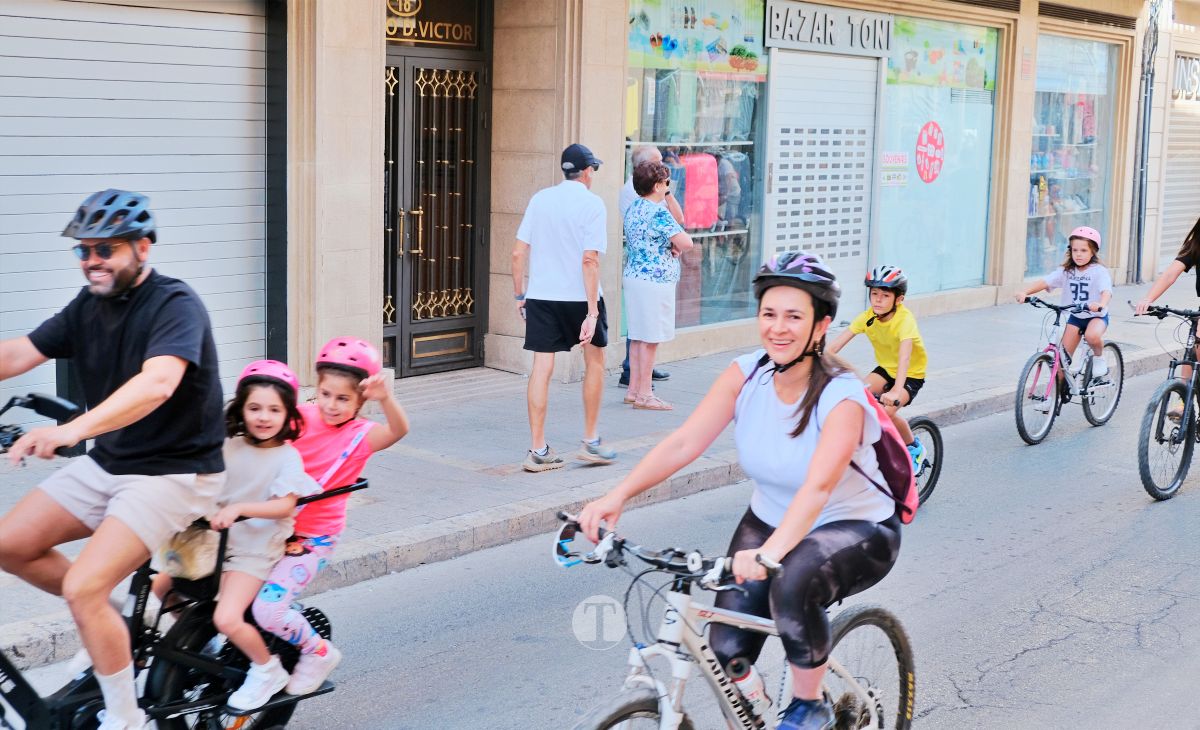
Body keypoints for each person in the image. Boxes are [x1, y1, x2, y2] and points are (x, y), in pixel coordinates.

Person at [579, 252, 902, 729]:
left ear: (821, 326)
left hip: (855, 526)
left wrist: (770, 555)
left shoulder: (842, 396)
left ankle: (809, 706)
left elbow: (818, 488)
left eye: (794, 316)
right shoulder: (746, 373)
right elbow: (686, 441)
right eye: (769, 314)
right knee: (725, 649)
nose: (778, 327)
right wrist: (616, 496)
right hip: (770, 517)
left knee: (793, 582)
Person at [0, 189, 226, 730]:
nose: (92, 261)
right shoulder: (88, 305)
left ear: (142, 248)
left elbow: (157, 384)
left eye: (106, 249)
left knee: (83, 588)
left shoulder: (175, 304)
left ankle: (125, 719)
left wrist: (71, 430)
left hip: (177, 472)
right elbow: (18, 353)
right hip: (113, 463)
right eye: (83, 251)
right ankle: (113, 619)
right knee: (10, 544)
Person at [151, 361, 322, 711]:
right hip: (212, 545)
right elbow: (202, 478)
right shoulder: (230, 445)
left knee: (226, 617)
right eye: (254, 408)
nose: (263, 417)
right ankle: (202, 644)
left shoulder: (287, 457)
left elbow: (285, 505)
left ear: (288, 414)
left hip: (253, 553)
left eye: (274, 409)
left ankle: (267, 669)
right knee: (159, 588)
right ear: (241, 410)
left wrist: (240, 508)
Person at [250, 337, 409, 696]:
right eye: (325, 394)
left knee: (268, 610)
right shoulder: (300, 416)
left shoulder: (361, 435)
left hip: (311, 540)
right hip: (269, 526)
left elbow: (399, 431)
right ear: (316, 389)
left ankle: (318, 652)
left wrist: (385, 397)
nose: (332, 406)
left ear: (360, 400)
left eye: (343, 399)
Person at [511, 143, 618, 472]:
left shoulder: (540, 199)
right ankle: (590, 441)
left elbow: (517, 254)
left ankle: (538, 449)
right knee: (595, 361)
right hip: (579, 297)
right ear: (586, 172)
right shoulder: (593, 204)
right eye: (593, 170)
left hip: (542, 296)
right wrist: (592, 311)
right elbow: (590, 259)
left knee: (541, 368)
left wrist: (520, 296)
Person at [827, 266, 929, 470]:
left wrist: (897, 391)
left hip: (909, 375)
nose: (878, 300)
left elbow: (904, 357)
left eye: (884, 295)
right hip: (884, 370)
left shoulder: (904, 320)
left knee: (884, 412)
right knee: (858, 397)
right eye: (874, 294)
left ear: (898, 299)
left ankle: (914, 448)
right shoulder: (868, 317)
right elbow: (834, 347)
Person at [622, 160, 694, 410]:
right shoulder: (658, 212)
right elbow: (686, 242)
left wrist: (668, 245)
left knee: (638, 336)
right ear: (656, 185)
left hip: (634, 277)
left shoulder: (634, 208)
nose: (667, 187)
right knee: (651, 338)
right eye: (666, 183)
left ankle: (633, 390)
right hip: (655, 280)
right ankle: (645, 394)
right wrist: (674, 246)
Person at [1015, 226, 1112, 392]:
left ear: (1093, 252)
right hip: (1075, 317)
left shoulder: (1099, 272)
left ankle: (1099, 358)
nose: (1079, 254)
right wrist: (1025, 292)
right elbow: (1046, 282)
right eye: (1075, 250)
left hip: (1095, 315)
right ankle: (1052, 399)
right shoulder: (1066, 271)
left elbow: (1106, 291)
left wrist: (1101, 303)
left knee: (1091, 335)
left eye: (1083, 250)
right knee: (1060, 363)